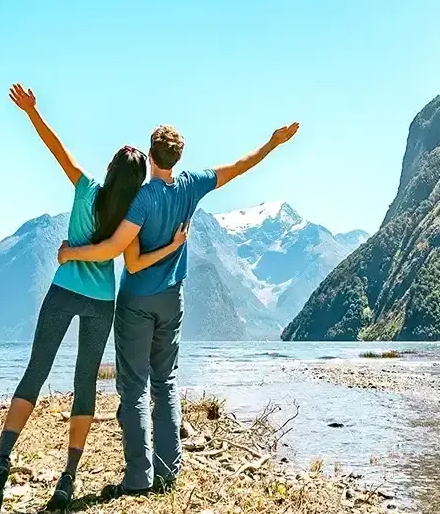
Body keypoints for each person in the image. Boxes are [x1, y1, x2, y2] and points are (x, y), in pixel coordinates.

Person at [0, 84, 187, 514]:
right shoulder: (133, 209)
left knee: (36, 371)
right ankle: (68, 478)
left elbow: (56, 147)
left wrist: (33, 112)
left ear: (110, 169)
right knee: (85, 383)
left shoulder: (85, 187)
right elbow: (125, 256)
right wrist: (171, 246)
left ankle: (2, 457)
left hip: (63, 291)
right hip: (101, 303)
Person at [57, 121, 299, 494]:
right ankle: (168, 471)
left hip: (137, 300)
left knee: (134, 388)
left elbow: (131, 261)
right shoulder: (190, 186)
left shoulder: (139, 200)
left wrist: (71, 253)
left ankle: (138, 477)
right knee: (165, 382)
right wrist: (272, 142)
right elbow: (237, 167)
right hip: (173, 299)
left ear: (150, 155)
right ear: (177, 157)